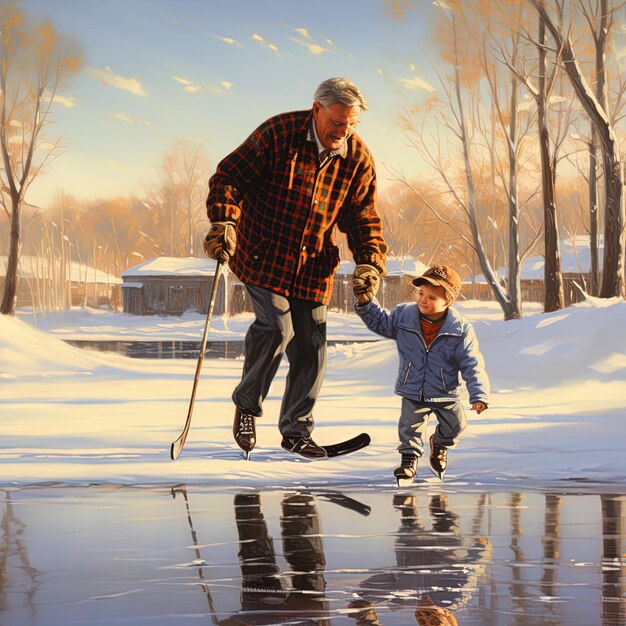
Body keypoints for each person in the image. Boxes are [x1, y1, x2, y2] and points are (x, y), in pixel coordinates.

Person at [204, 77, 388, 459]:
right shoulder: (278, 133)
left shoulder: (357, 158)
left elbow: (363, 217)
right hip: (263, 254)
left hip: (312, 265)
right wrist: (224, 222)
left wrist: (370, 261)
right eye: (338, 122)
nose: (344, 131)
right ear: (317, 109)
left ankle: (296, 432)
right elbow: (228, 178)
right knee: (276, 326)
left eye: (352, 124)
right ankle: (247, 406)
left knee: (312, 347)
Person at [354, 265, 489, 482]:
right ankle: (408, 460)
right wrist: (366, 302)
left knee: (456, 425)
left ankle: (441, 444)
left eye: (432, 297)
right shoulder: (404, 316)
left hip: (446, 392)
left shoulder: (460, 329)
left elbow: (472, 363)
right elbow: (381, 322)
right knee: (409, 427)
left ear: (448, 302)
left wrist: (479, 394)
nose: (423, 300)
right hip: (413, 388)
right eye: (421, 293)